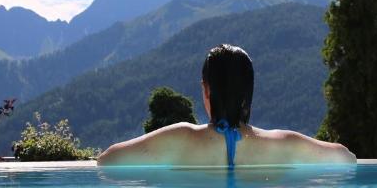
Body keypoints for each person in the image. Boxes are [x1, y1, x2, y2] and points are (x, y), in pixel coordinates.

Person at [97, 44, 356, 167]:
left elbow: (107, 160)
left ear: (206, 90)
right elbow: (347, 158)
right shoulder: (283, 144)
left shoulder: (179, 138)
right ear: (248, 93)